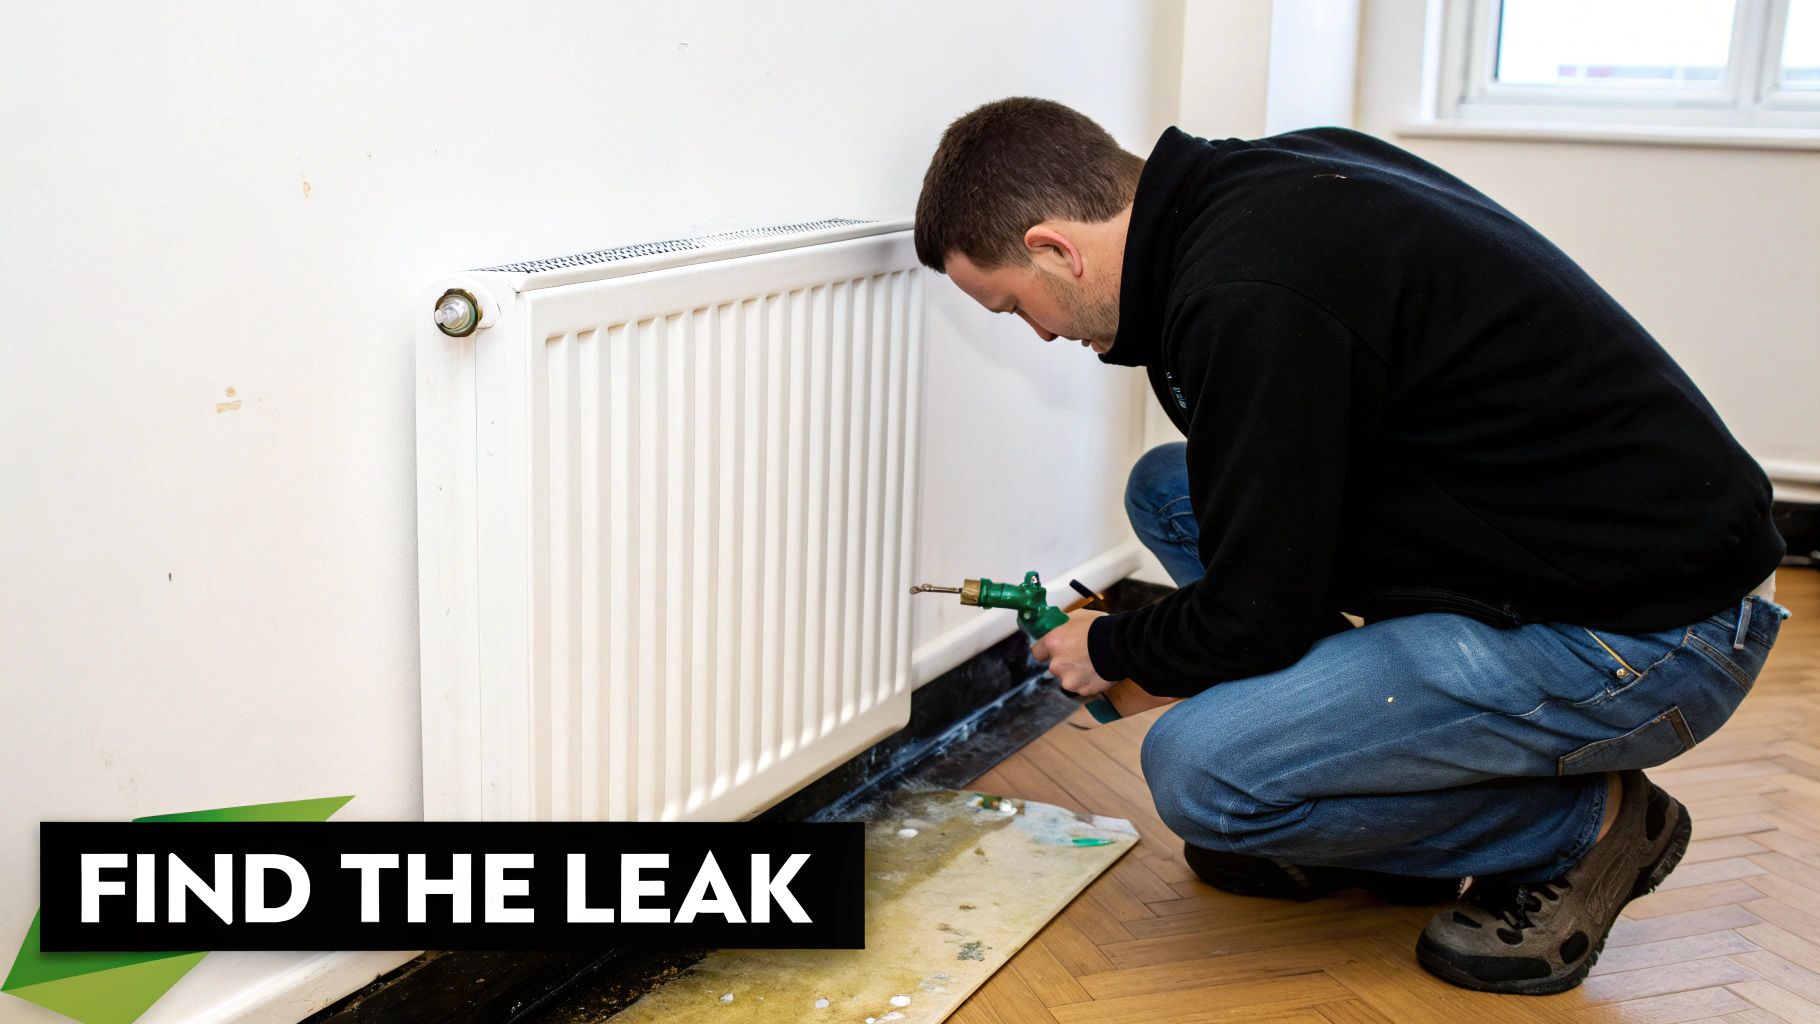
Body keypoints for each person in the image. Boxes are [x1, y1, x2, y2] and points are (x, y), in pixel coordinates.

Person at [912, 96, 1788, 996]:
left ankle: (1587, 828)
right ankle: (1342, 778)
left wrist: (1111, 648)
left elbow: (1258, 616)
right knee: (1167, 491)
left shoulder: (1249, 294)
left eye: (1016, 307)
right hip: (1574, 547)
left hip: (1648, 634)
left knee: (1202, 779)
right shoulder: (1258, 186)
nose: (1045, 334)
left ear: (1057, 248)